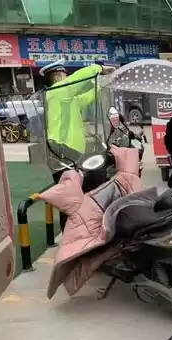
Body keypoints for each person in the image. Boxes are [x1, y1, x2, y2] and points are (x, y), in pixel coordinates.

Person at [40, 60, 113, 229]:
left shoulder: (68, 99)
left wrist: (101, 83)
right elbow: (77, 81)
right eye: (64, 76)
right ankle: (69, 236)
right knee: (70, 202)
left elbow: (86, 97)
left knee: (74, 199)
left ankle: (76, 233)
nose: (67, 79)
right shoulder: (56, 93)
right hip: (61, 153)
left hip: (70, 154)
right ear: (58, 78)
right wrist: (99, 68)